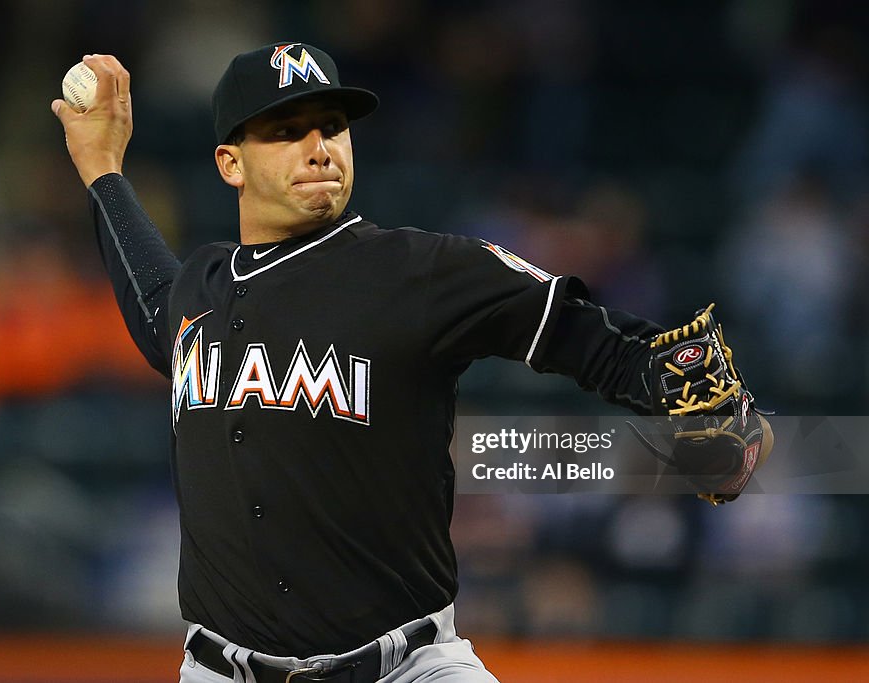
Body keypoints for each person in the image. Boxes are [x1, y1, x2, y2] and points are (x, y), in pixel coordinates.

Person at [51, 43, 769, 683]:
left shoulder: (419, 270)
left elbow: (591, 337)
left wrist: (686, 400)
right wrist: (102, 169)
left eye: (331, 127)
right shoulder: (201, 287)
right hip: (219, 667)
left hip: (406, 665)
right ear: (229, 162)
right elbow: (153, 307)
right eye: (285, 131)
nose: (318, 146)